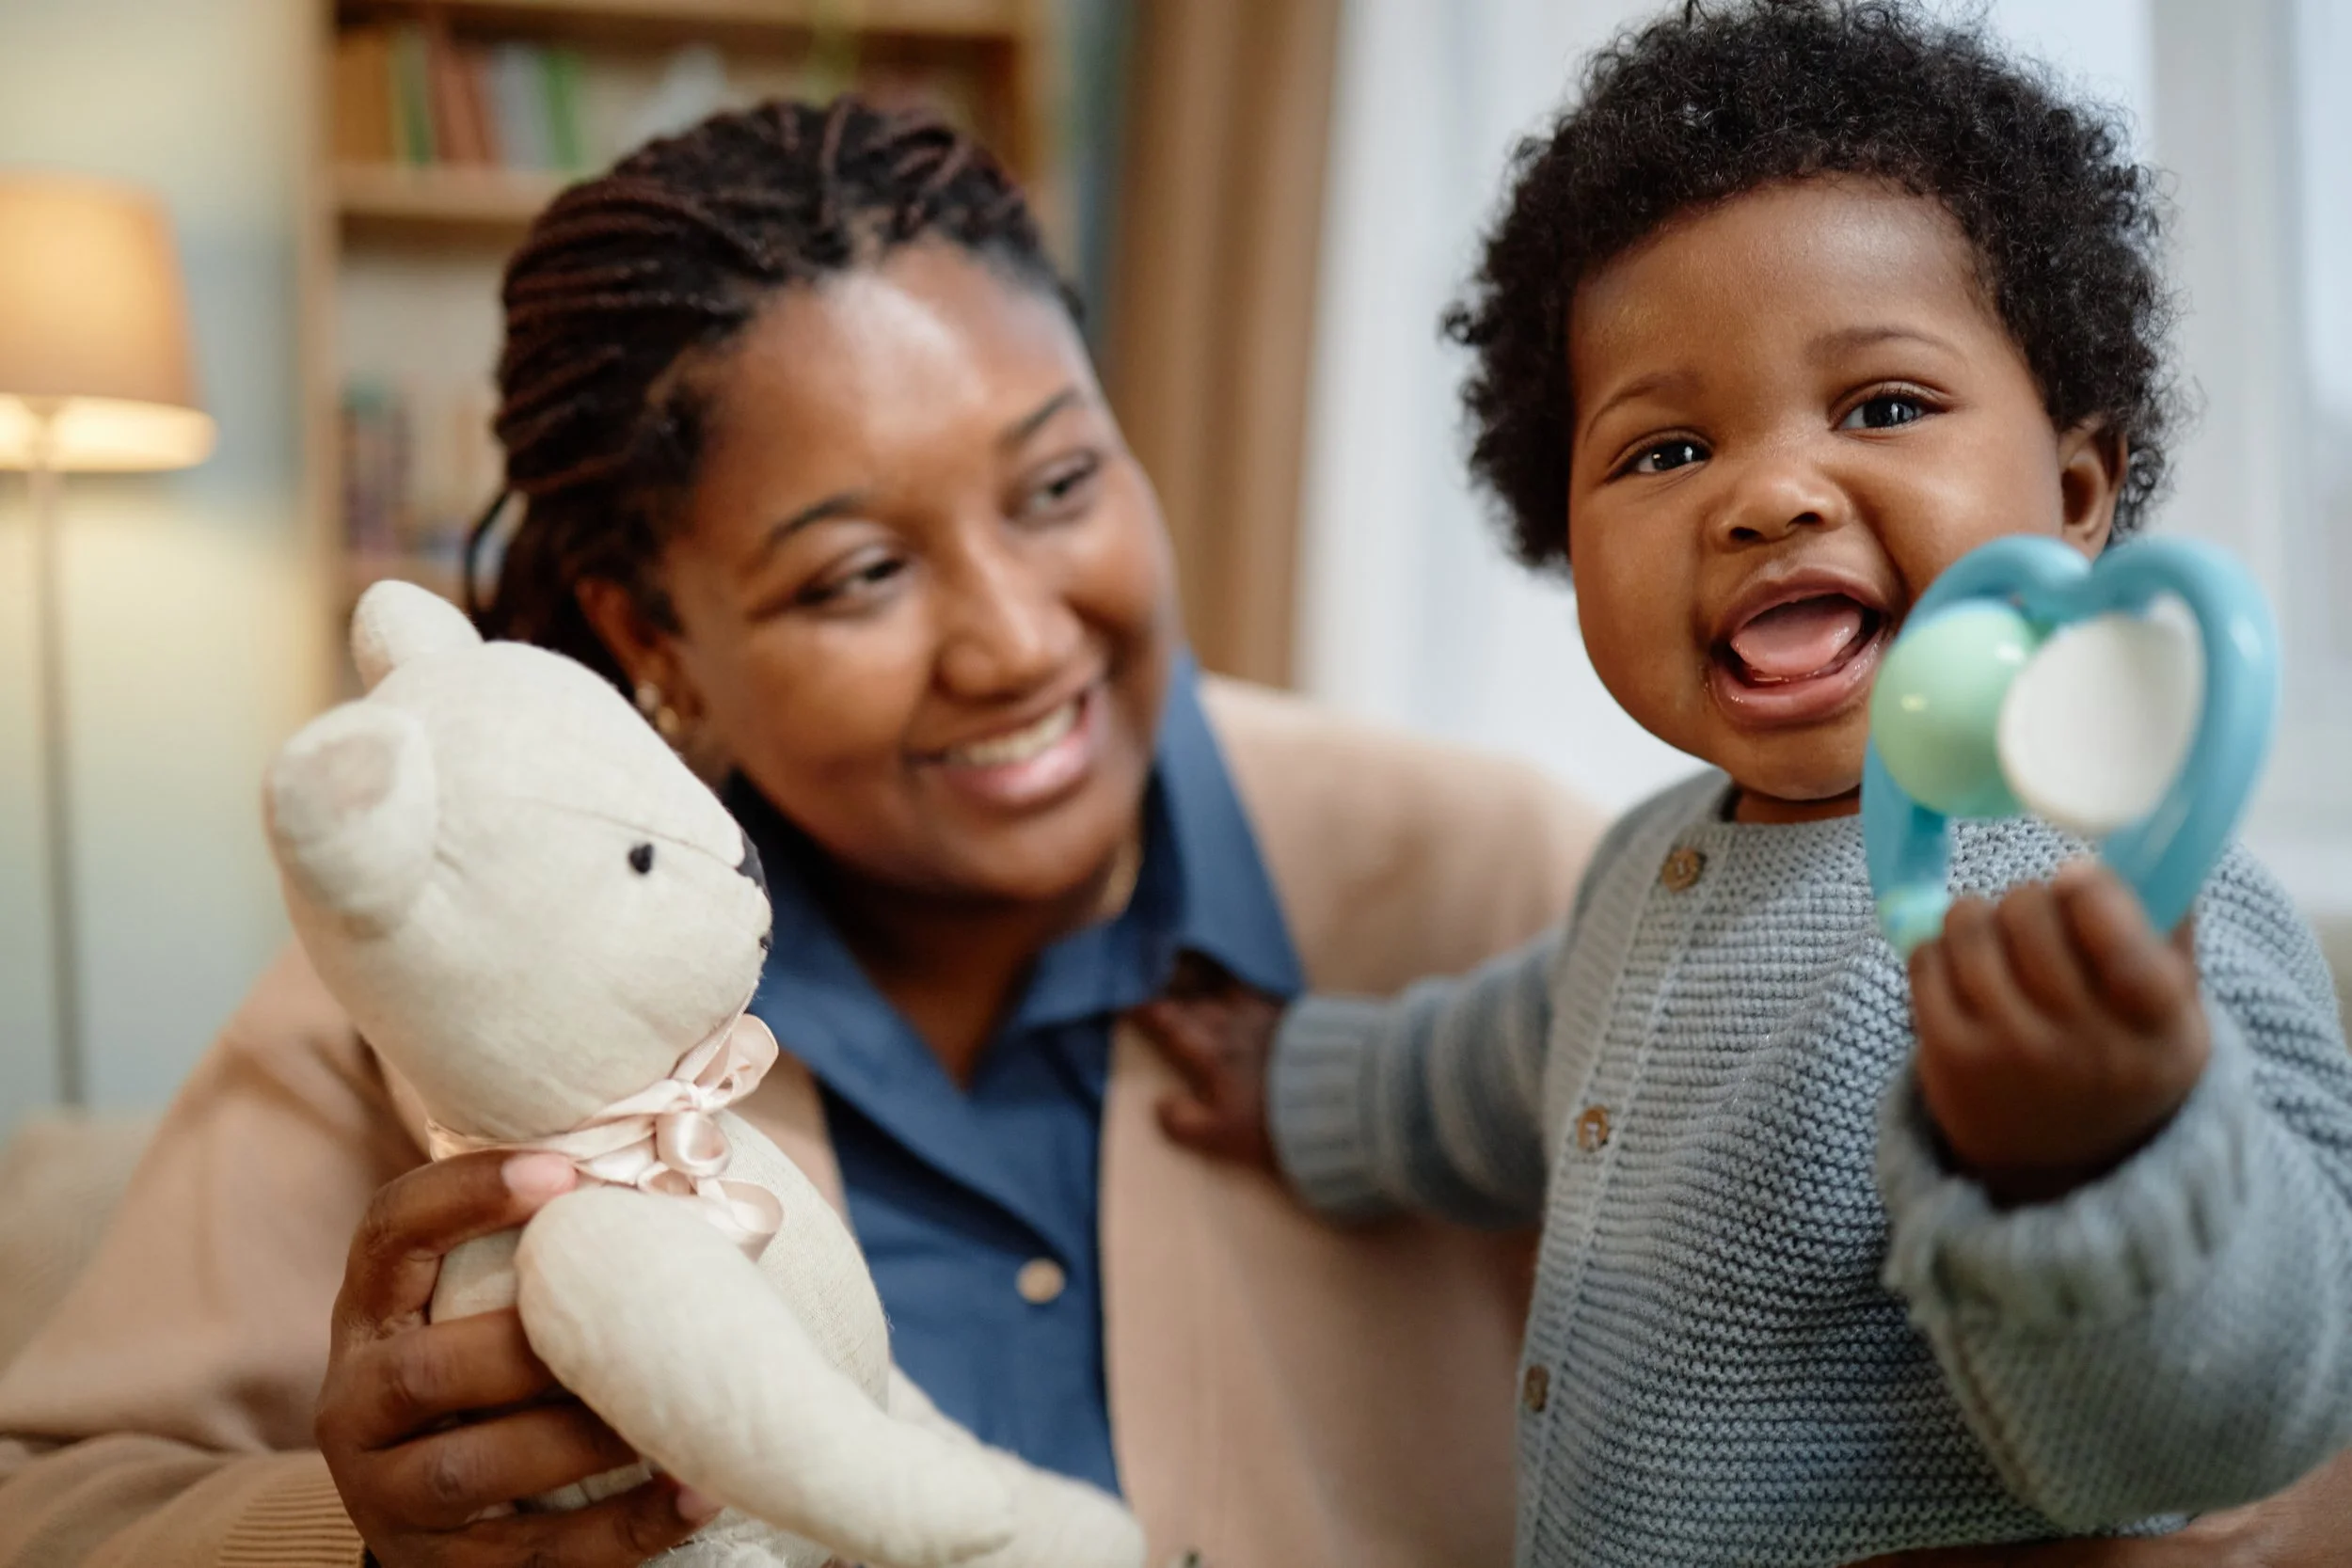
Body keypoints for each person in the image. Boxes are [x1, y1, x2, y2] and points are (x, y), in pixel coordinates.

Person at [0, 98, 1598, 1568]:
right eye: (858, 576)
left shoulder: (1504, 884)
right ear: (657, 638)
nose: (1014, 643)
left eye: (1057, 485)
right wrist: (364, 1535)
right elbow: (50, 1499)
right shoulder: (445, 981)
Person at [1137, 4, 2352, 1565]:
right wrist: (1304, 1079)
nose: (1769, 495)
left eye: (1884, 407)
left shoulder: (2130, 905)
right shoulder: (1651, 863)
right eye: (1664, 452)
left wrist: (2097, 1157)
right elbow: (1500, 1066)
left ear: (2071, 494)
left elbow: (2250, 1417)